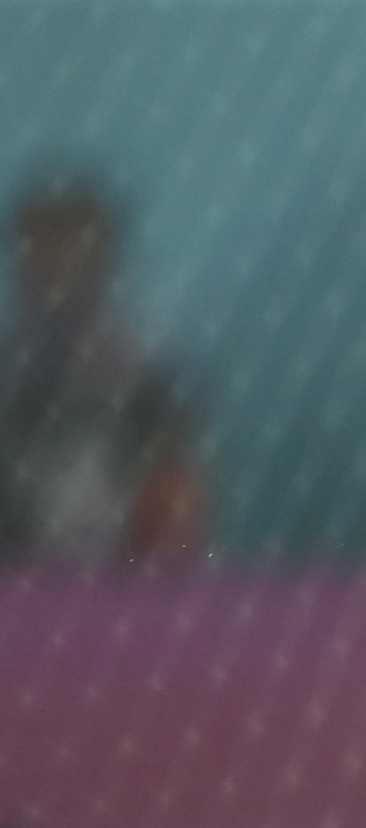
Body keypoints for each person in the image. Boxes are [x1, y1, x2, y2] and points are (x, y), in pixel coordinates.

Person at [0, 176, 207, 564]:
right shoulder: (8, 369)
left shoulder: (147, 368)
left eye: (73, 246)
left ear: (103, 258)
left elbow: (179, 483)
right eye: (44, 247)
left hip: (127, 576)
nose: (59, 263)